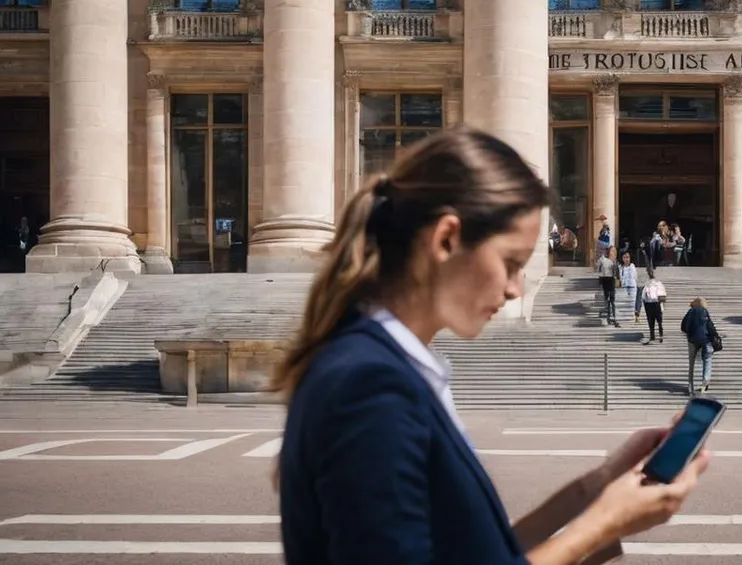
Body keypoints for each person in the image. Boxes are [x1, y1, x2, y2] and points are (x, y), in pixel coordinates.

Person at [273, 127, 709, 565]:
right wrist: (604, 526)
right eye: (511, 263)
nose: (516, 288)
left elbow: (484, 551)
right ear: (446, 239)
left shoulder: (382, 366)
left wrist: (601, 482)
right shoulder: (370, 386)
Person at [681, 297, 717, 394]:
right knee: (707, 359)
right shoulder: (705, 312)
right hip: (705, 340)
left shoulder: (690, 312)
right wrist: (715, 336)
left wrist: (689, 334)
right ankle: (705, 382)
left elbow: (683, 326)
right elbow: (710, 327)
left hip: (692, 340)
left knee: (691, 364)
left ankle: (690, 386)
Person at [639, 268, 666, 345]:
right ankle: (661, 335)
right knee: (659, 321)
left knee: (651, 321)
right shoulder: (659, 283)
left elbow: (643, 296)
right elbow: (663, 294)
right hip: (657, 303)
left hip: (649, 305)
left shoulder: (647, 285)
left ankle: (652, 335)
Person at [596, 246, 618, 327]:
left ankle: (614, 317)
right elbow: (598, 269)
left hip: (611, 280)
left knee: (612, 300)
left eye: (614, 251)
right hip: (605, 280)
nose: (613, 252)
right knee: (606, 300)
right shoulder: (603, 260)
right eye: (612, 251)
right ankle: (607, 317)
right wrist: (600, 280)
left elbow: (616, 273)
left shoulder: (615, 261)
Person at [618, 250, 639, 323]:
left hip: (632, 286)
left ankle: (633, 316)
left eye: (627, 257)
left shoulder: (632, 266)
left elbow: (635, 276)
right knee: (625, 301)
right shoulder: (621, 267)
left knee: (632, 302)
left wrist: (633, 283)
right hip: (624, 286)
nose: (626, 259)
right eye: (624, 257)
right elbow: (620, 276)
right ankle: (626, 316)